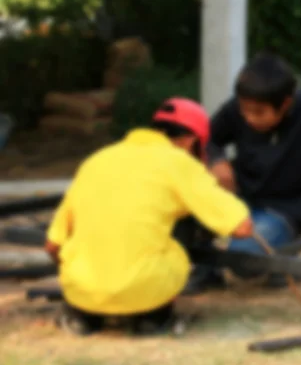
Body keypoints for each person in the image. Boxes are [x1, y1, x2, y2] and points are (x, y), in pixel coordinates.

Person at [44, 97, 253, 336]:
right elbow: (242, 228)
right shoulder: (179, 162)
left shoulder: (96, 160)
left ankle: (84, 317)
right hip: (145, 290)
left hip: (81, 288)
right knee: (178, 240)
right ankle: (153, 317)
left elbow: (52, 245)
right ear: (191, 141)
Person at [207, 53, 301, 287]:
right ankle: (205, 272)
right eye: (244, 110)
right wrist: (216, 160)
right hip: (242, 196)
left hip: (287, 208)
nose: (248, 118)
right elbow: (207, 137)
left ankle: (283, 257)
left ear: (285, 103)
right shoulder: (240, 106)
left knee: (243, 260)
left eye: (258, 113)